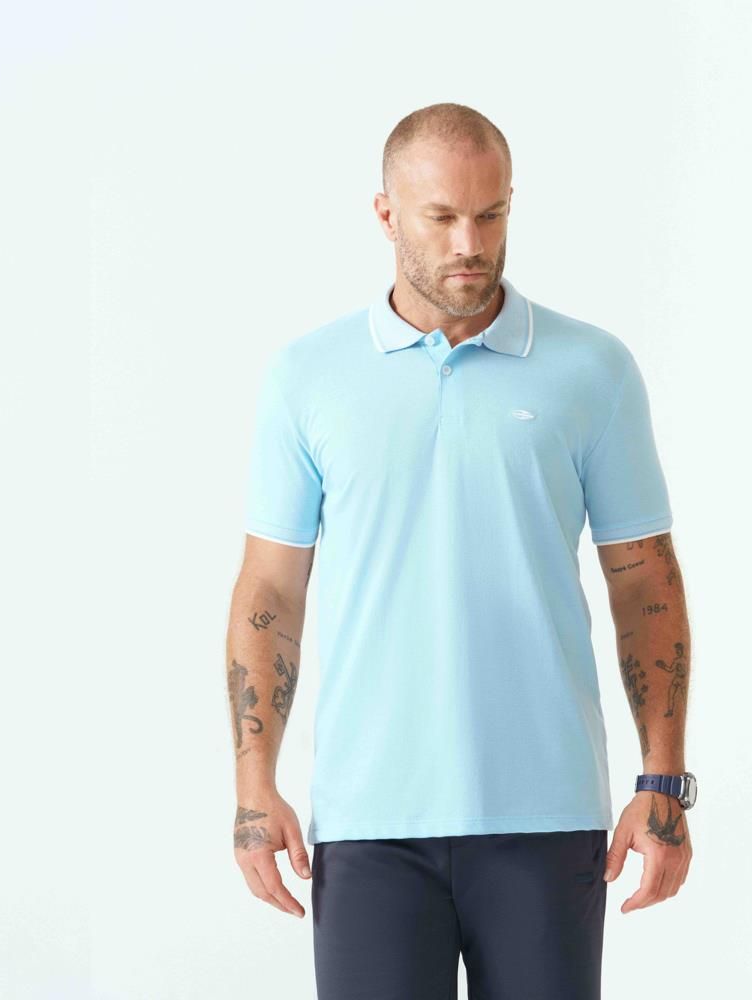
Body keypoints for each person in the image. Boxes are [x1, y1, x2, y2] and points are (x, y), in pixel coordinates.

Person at [226, 102, 695, 999]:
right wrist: (256, 787)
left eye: (491, 214)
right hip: (368, 822)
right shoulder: (307, 376)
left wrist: (663, 780)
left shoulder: (592, 369)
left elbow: (646, 584)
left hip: (546, 814)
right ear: (386, 214)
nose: (470, 243)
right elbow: (270, 592)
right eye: (441, 217)